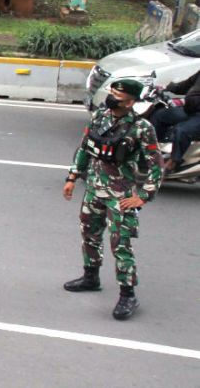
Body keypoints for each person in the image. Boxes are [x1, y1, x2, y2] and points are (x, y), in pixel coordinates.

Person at [63, 79, 162, 320]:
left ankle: (128, 295)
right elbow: (86, 147)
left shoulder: (142, 128)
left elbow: (155, 164)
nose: (111, 97)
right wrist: (73, 176)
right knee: (89, 234)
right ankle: (91, 277)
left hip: (121, 196)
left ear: (130, 102)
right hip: (94, 189)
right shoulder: (100, 116)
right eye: (112, 92)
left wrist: (144, 195)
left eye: (117, 95)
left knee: (121, 245)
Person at [149, 69, 200, 173]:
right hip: (190, 110)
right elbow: (186, 85)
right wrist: (167, 87)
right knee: (159, 115)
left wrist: (182, 101)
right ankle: (153, 152)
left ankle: (174, 161)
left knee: (182, 130)